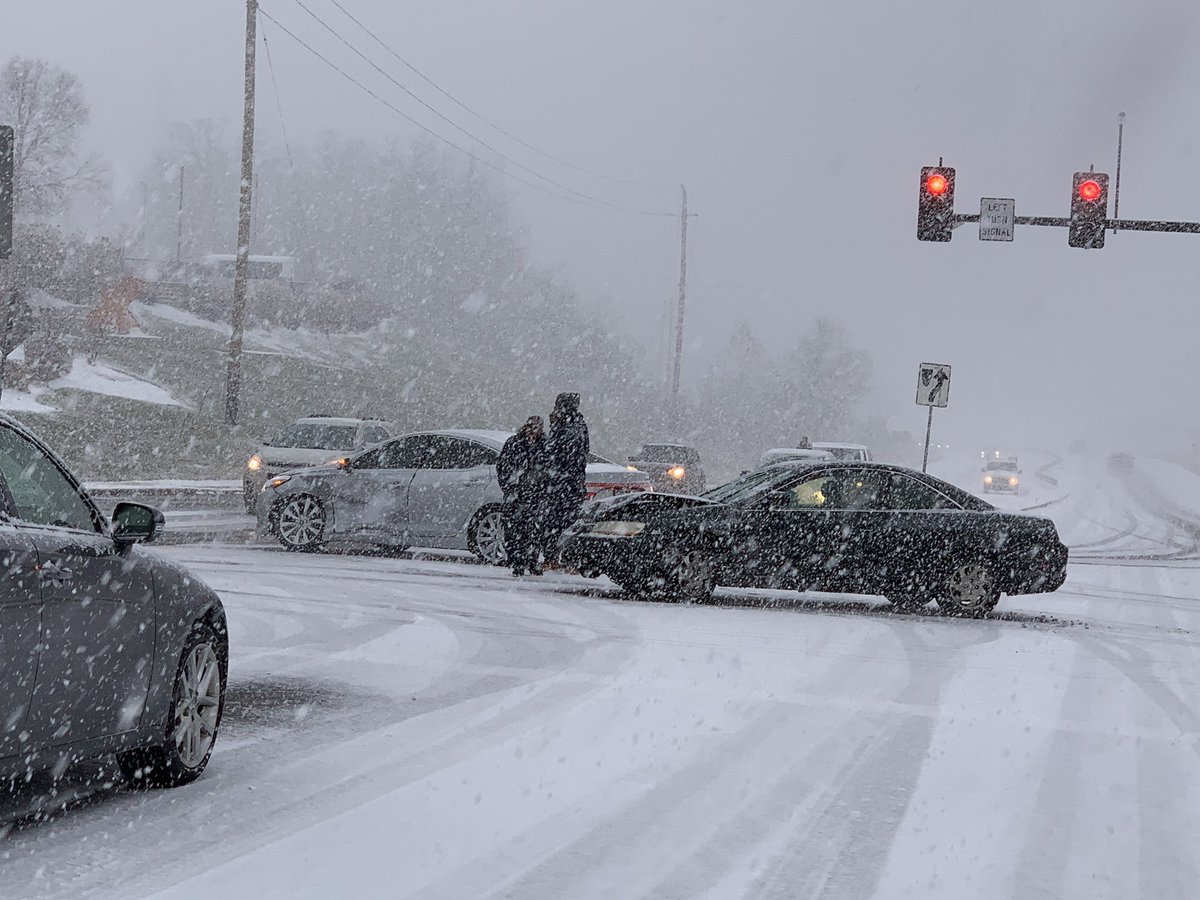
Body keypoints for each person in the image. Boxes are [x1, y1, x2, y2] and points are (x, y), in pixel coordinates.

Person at [497, 416, 548, 576]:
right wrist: (509, 486)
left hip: (536, 496)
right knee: (514, 530)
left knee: (534, 531)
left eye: (536, 429)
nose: (533, 432)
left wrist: (543, 488)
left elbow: (548, 468)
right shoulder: (514, 443)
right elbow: (503, 466)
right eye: (531, 428)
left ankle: (532, 562)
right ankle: (517, 563)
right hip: (516, 495)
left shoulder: (545, 445)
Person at [543, 392, 590, 563]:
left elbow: (552, 452)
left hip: (562, 483)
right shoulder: (579, 424)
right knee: (567, 523)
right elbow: (584, 451)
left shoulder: (565, 426)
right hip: (572, 483)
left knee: (555, 523)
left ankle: (553, 558)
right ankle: (564, 559)